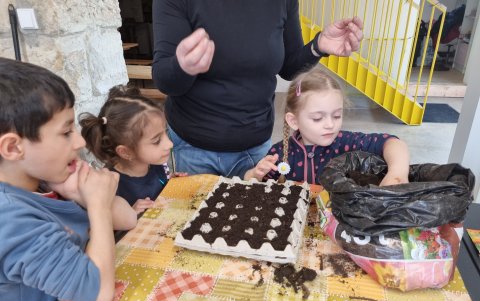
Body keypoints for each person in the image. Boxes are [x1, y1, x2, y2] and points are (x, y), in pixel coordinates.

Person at [0, 57, 136, 301]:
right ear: (13, 147)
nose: (80, 142)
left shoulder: (44, 180)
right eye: (65, 132)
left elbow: (129, 220)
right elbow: (98, 292)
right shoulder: (8, 217)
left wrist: (84, 197)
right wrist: (97, 207)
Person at [152, 0, 363, 178]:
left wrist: (318, 47)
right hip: (194, 150)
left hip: (256, 148)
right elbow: (166, 81)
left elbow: (289, 67)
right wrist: (182, 67)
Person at [244, 65, 410, 186]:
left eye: (337, 115)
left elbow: (393, 143)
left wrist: (397, 173)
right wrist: (255, 174)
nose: (330, 124)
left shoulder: (346, 143)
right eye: (317, 118)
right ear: (294, 121)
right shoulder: (279, 153)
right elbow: (252, 182)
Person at [80, 85, 176, 214]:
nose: (169, 144)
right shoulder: (111, 186)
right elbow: (106, 225)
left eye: (166, 133)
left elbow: (159, 186)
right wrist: (130, 213)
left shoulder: (155, 162)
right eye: (157, 141)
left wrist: (171, 183)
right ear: (126, 152)